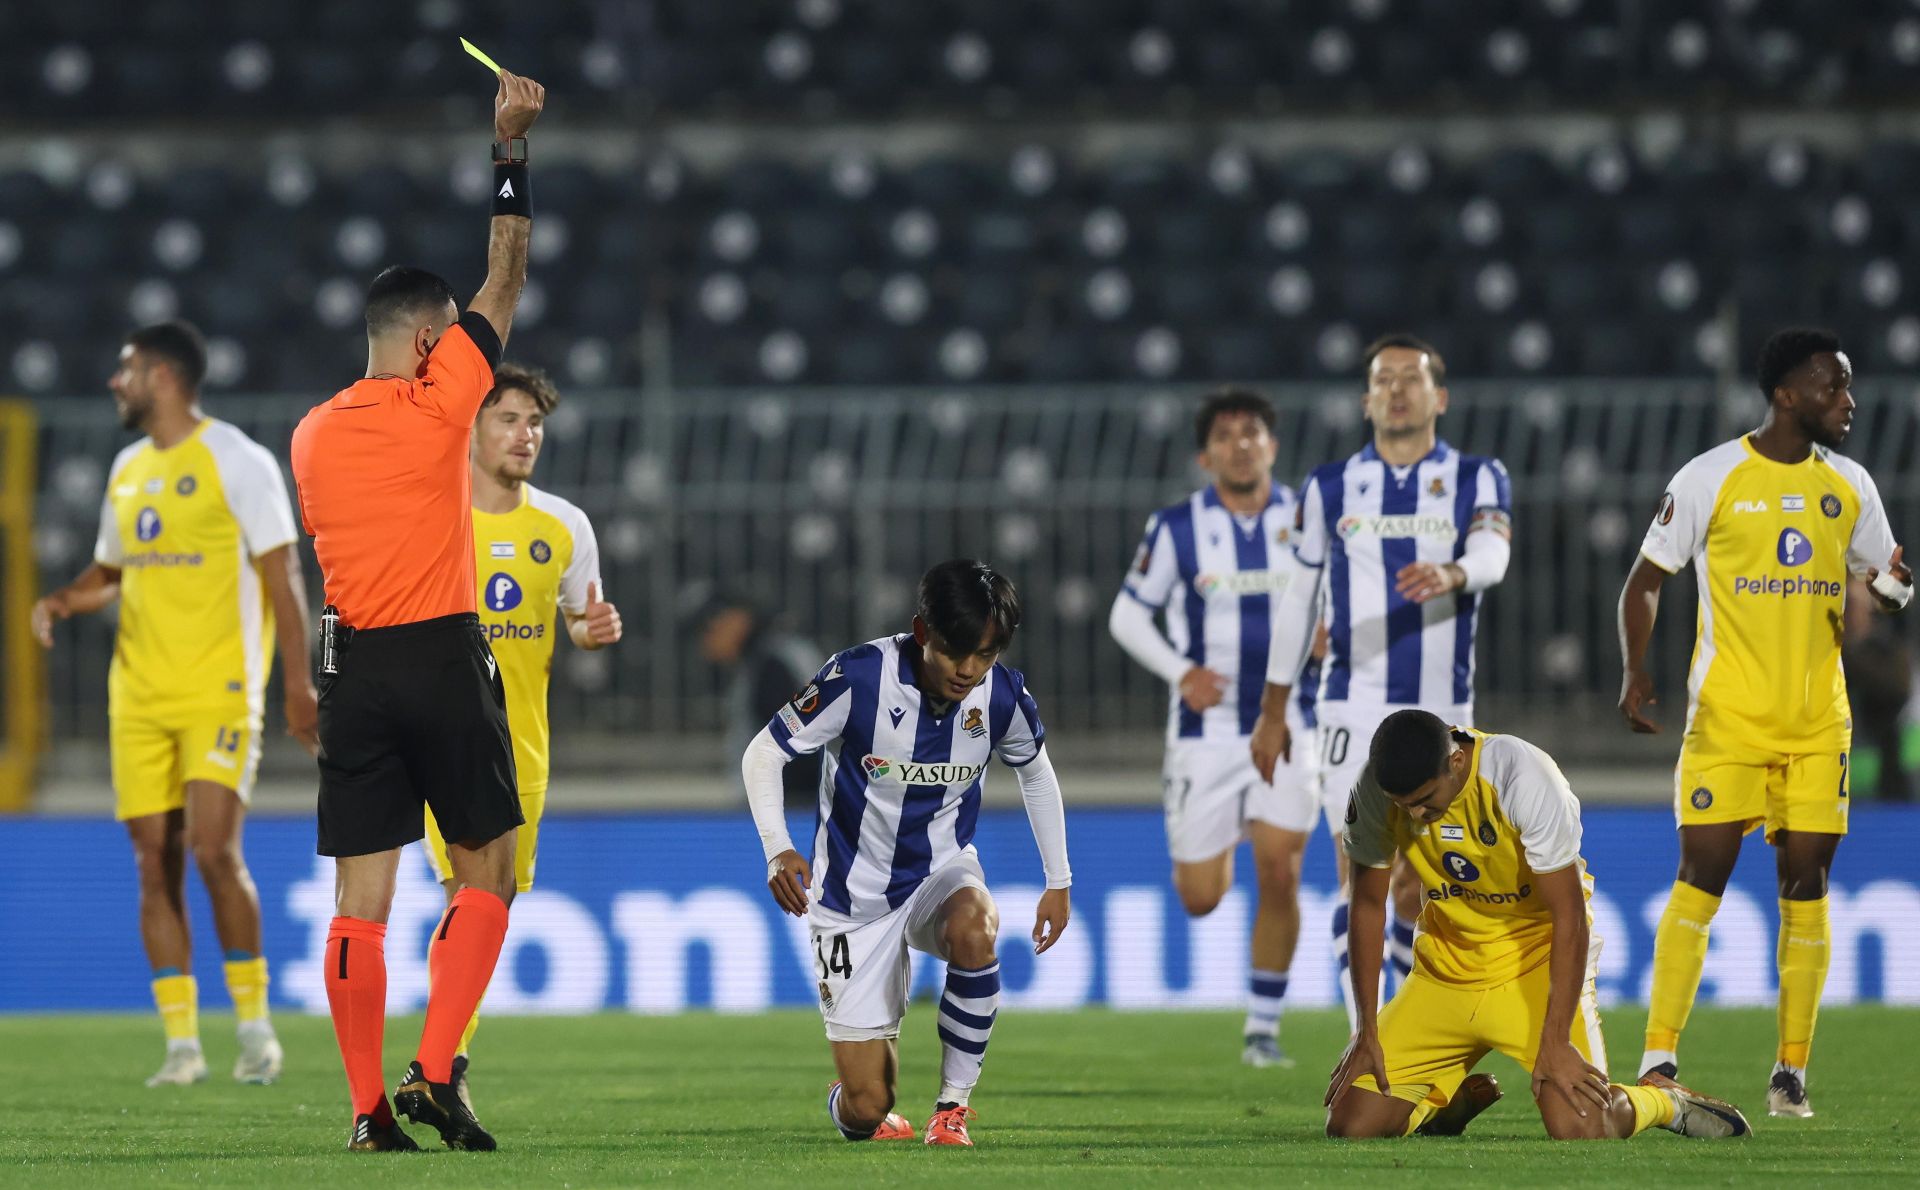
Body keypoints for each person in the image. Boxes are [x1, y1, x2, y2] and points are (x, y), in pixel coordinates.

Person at [288, 68, 544, 1153]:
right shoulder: (444, 402)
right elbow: (507, 273)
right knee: (488, 867)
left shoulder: (309, 433)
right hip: (441, 656)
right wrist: (509, 147)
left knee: (361, 900)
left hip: (351, 670)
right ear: (431, 342)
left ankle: (364, 1111)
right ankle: (436, 1071)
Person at [1618, 327, 1912, 1117]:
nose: (1848, 401)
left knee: (1806, 883)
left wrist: (1893, 592)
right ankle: (1658, 1057)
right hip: (1728, 720)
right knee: (1701, 876)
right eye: (1832, 386)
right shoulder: (1711, 476)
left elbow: (1886, 578)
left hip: (1819, 723)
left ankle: (1790, 1073)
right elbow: (1645, 579)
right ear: (1786, 395)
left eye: (1847, 386)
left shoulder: (1850, 485)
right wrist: (1635, 669)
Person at [31, 319, 311, 1088]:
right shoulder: (127, 469)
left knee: (213, 850)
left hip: (219, 689)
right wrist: (62, 600)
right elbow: (110, 572)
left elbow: (283, 575)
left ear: (162, 376)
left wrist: (298, 683)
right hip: (137, 697)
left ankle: (254, 1029)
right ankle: (183, 1046)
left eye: (125, 371)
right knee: (152, 863)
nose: (114, 384)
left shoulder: (238, 460)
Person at [742, 560, 1072, 1148]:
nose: (968, 669)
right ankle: (851, 1097)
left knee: (975, 926)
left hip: (939, 873)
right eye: (955, 652)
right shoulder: (857, 678)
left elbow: (1037, 775)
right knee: (868, 1108)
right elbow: (764, 753)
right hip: (852, 897)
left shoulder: (1002, 695)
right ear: (923, 633)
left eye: (985, 654)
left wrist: (1058, 879)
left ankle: (952, 1109)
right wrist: (778, 849)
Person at [1325, 709, 1752, 1142]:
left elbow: (1569, 915)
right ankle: (1446, 1102)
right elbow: (1366, 905)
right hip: (1445, 973)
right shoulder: (1375, 790)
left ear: (1455, 762)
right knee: (1351, 1127)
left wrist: (1556, 1039)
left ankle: (1662, 1099)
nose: (1415, 814)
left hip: (1534, 966)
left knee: (1583, 1128)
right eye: (1403, 805)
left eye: (1424, 799)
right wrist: (1366, 1031)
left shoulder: (1521, 775)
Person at [1251, 334, 1514, 1026]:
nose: (1397, 389)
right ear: (1367, 400)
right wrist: (1273, 710)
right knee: (1362, 873)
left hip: (1444, 712)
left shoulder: (1478, 477)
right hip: (1351, 708)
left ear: (1439, 397)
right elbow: (1299, 599)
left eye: (1411, 378)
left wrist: (1455, 572)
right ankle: (1368, 1045)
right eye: (1383, 380)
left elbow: (1493, 554)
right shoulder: (1330, 487)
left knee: (1414, 891)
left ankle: (1399, 1024)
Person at [420, 362, 622, 1121]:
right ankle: (441, 1067)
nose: (524, 434)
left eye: (534, 422)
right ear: (471, 428)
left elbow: (577, 621)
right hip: (443, 738)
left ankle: (438, 1063)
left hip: (522, 747)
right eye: (507, 418)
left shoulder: (565, 526)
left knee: (490, 905)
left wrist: (593, 631)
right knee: (469, 895)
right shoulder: (433, 517)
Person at [1107, 388, 1321, 1067]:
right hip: (1206, 733)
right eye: (1225, 436)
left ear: (1272, 446)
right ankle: (1228, 835)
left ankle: (1263, 1029)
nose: (1240, 445)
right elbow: (1127, 615)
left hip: (1291, 722)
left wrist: (1333, 630)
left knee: (1281, 870)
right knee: (1201, 897)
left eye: (1251, 432)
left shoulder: (1309, 518)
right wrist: (1181, 672)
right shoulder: (1177, 527)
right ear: (1206, 457)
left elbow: (1345, 596)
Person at [700, 590, 822, 806]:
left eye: (709, 629)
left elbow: (798, 743)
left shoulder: (773, 665)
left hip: (795, 805)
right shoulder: (769, 658)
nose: (704, 641)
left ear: (738, 620)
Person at [1841, 578, 1913, 802]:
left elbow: (1899, 688)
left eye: (1854, 604)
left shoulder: (1886, 647)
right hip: (1834, 752)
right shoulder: (1822, 651)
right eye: (1846, 604)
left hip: (1882, 756)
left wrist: (1851, 650)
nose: (1850, 611)